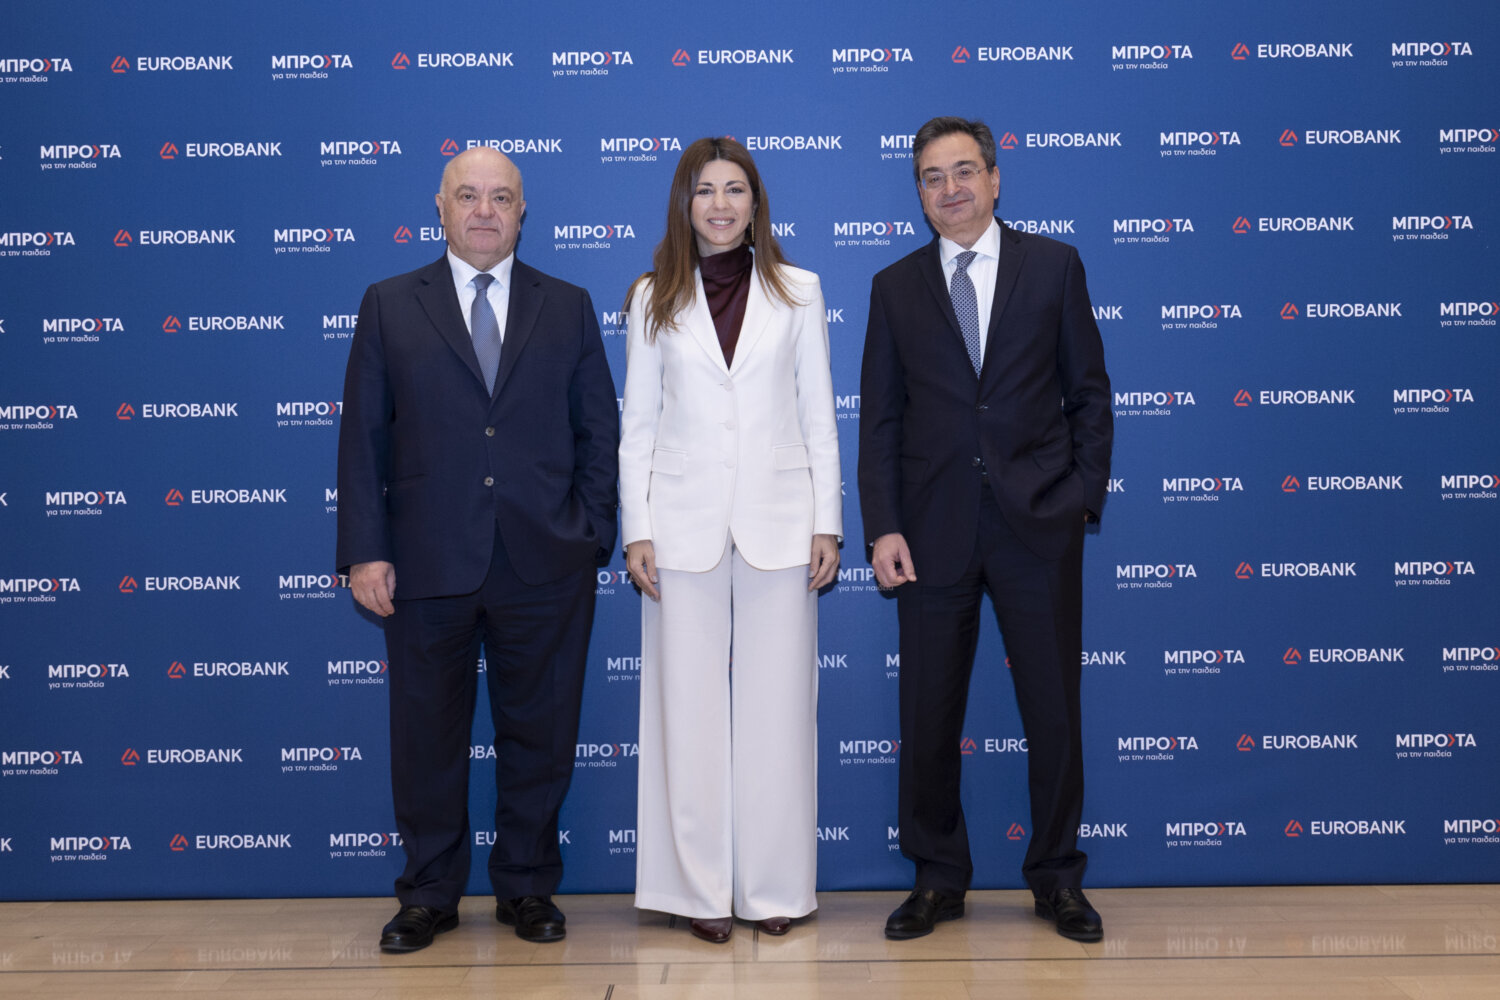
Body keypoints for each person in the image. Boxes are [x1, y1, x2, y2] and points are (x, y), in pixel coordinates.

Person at [336, 147, 619, 952]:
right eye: (468, 196)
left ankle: (527, 887)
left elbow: (599, 432)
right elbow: (362, 438)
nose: (484, 210)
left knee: (541, 737)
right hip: (426, 563)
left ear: (523, 211)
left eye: (501, 197)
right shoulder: (389, 303)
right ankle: (429, 893)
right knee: (426, 739)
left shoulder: (568, 306)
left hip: (546, 561)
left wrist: (589, 533)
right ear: (441, 207)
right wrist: (365, 551)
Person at [857, 117, 1113, 942]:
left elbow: (1090, 394)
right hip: (931, 532)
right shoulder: (894, 287)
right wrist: (883, 526)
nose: (951, 188)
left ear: (996, 179)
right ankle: (938, 878)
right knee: (928, 715)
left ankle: (1057, 877)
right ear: (918, 192)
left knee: (1054, 712)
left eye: (964, 170)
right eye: (932, 176)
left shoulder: (1055, 266)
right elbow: (880, 422)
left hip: (1038, 526)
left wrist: (1079, 499)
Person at [619, 137, 841, 943]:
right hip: (680, 527)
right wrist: (637, 528)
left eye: (735, 189)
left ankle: (774, 888)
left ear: (756, 203)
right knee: (686, 715)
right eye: (705, 189)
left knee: (780, 715)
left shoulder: (799, 290)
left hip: (781, 522)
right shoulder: (653, 296)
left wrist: (827, 520)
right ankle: (697, 891)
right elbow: (638, 424)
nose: (720, 204)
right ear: (685, 204)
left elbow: (818, 413)